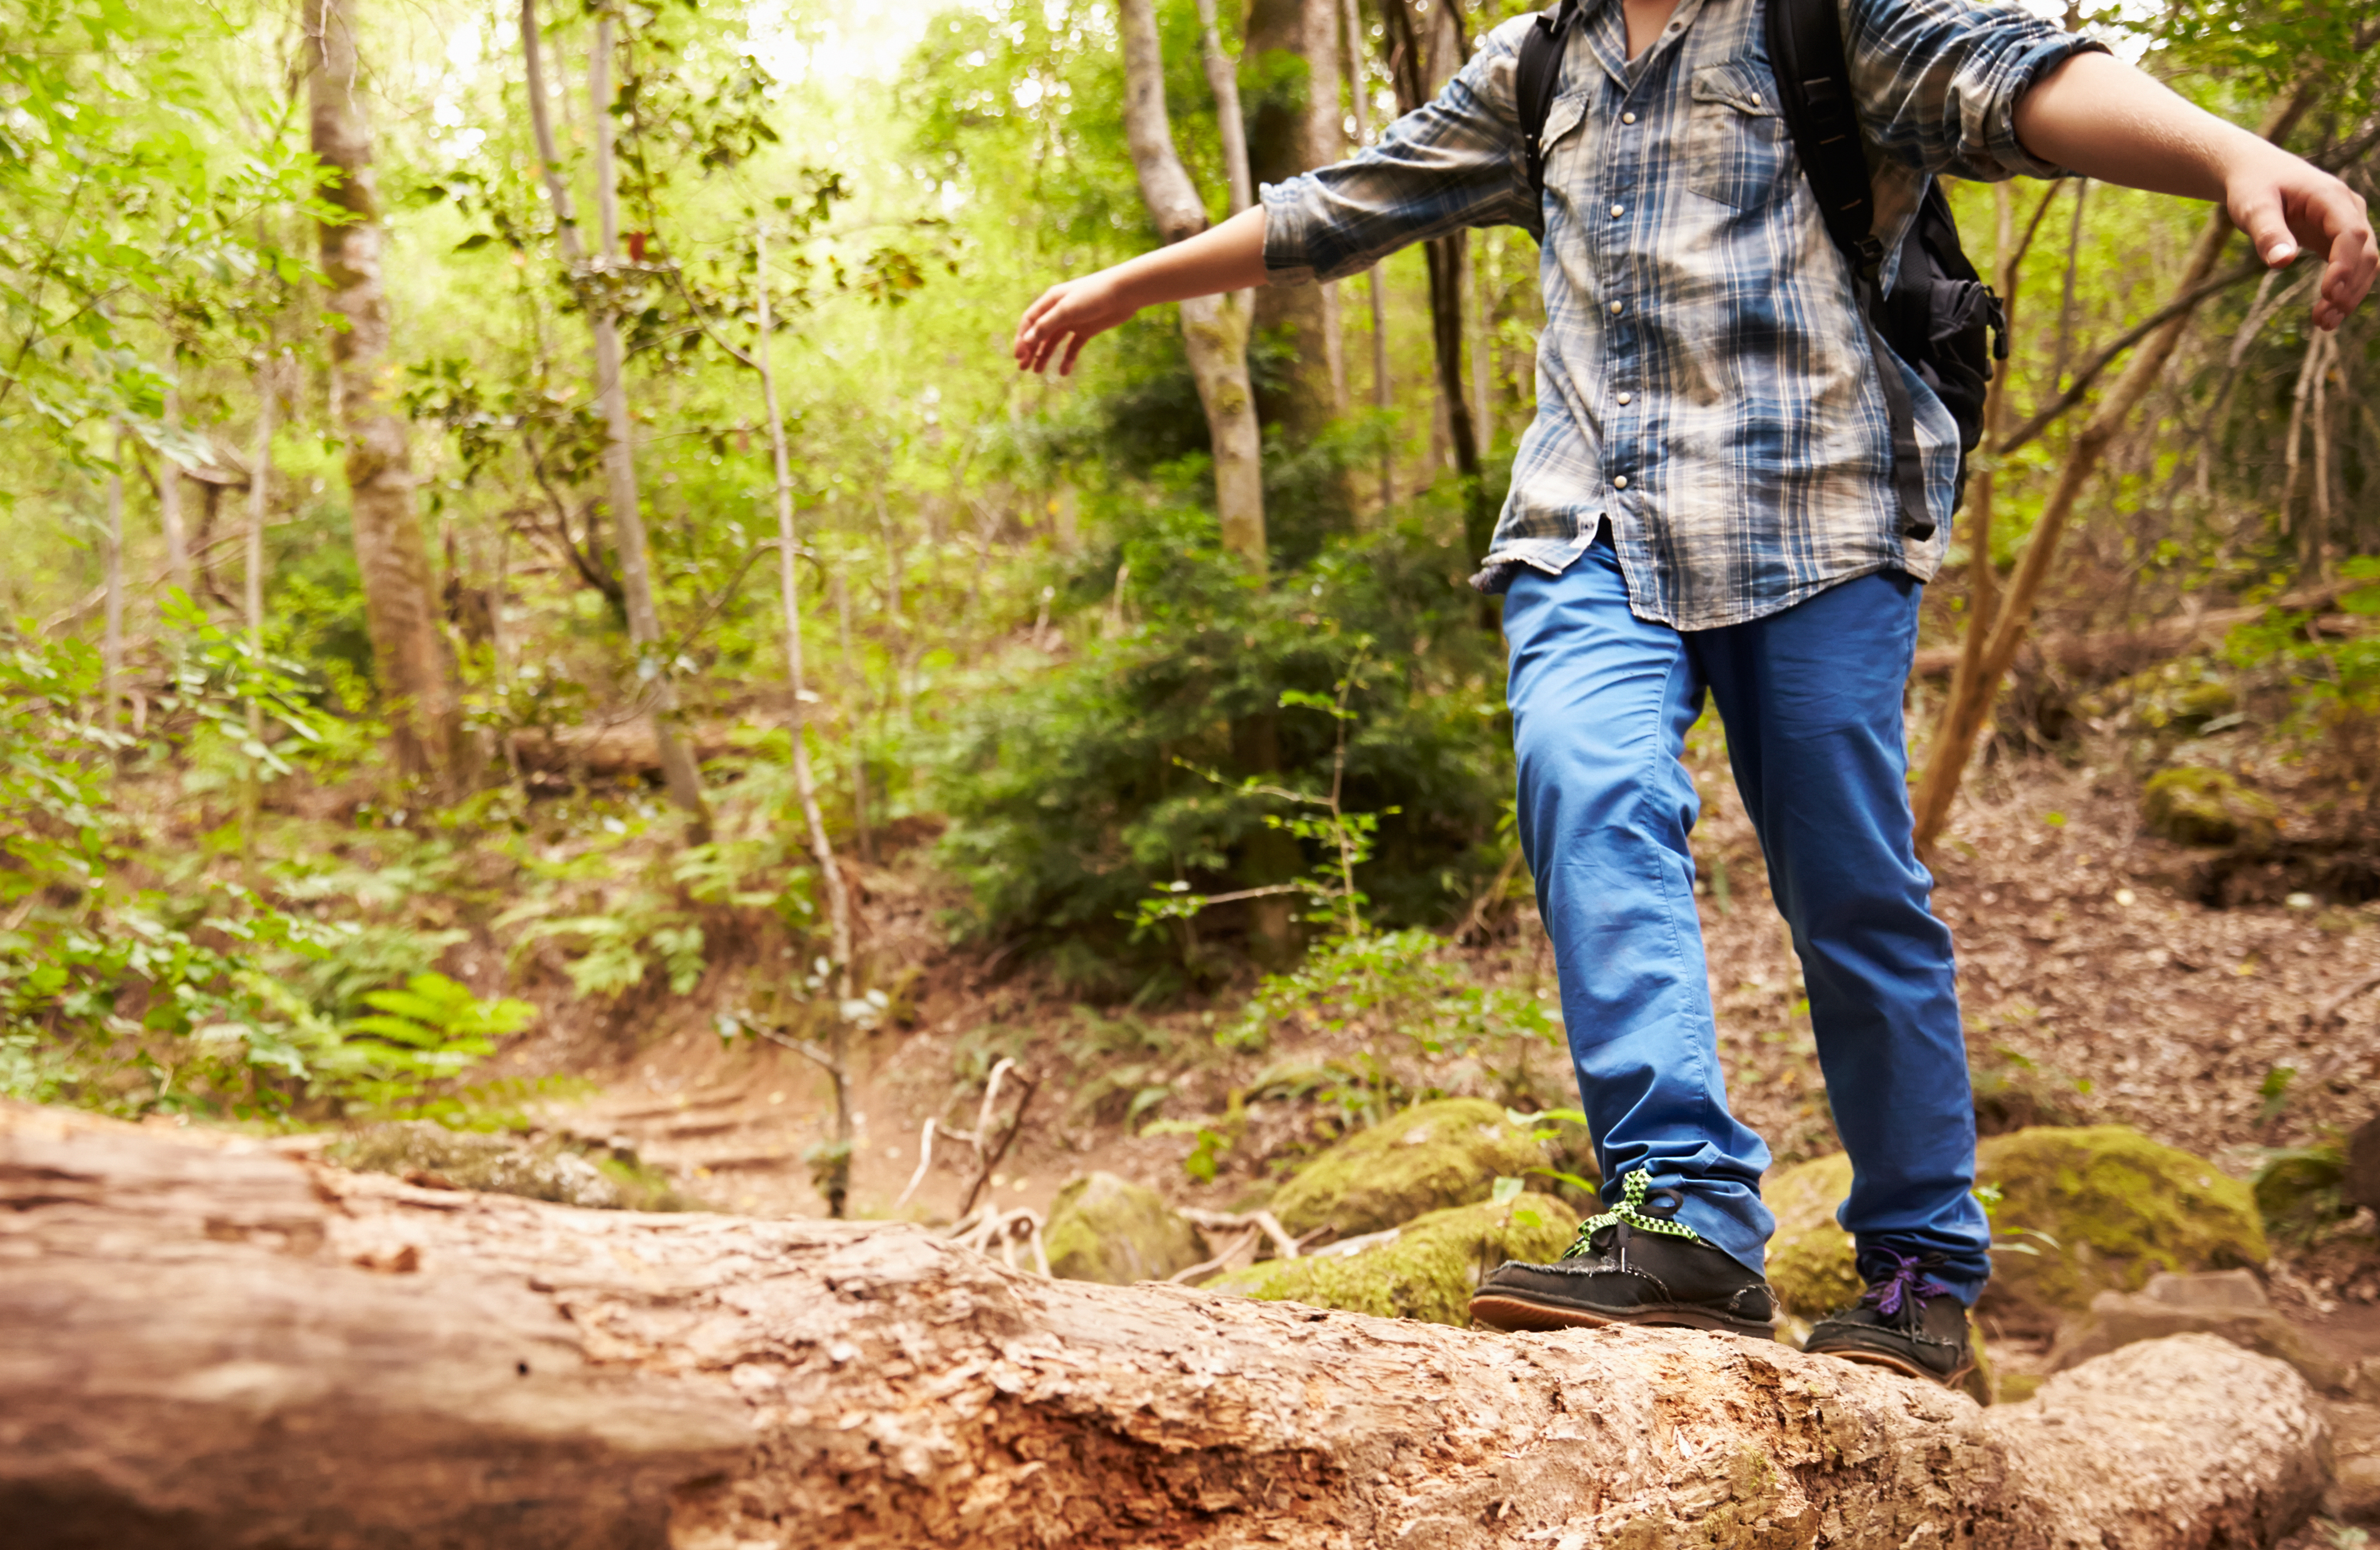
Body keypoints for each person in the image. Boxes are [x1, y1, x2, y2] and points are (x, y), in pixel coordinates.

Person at [1014, 0, 2373, 1389]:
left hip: (1820, 516)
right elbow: (1349, 203)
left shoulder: (1829, 22)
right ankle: (1686, 1218)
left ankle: (1915, 1269)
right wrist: (1136, 283)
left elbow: (2022, 83)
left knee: (1852, 890)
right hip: (1587, 526)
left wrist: (2226, 156)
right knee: (1584, 777)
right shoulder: (1536, 67)